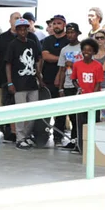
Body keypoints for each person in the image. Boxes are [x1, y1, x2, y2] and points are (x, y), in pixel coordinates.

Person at [7, 18, 43, 150]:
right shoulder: (13, 44)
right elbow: (8, 64)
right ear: (16, 30)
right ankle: (20, 138)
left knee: (33, 112)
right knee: (20, 112)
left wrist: (40, 78)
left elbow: (36, 61)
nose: (23, 31)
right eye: (20, 29)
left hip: (32, 82)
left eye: (25, 29)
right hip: (19, 84)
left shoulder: (32, 43)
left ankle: (27, 136)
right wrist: (10, 82)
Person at [70, 38, 104, 154]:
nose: (86, 52)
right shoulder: (77, 65)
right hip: (81, 99)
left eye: (89, 50)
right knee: (81, 123)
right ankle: (81, 146)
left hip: (94, 100)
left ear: (94, 52)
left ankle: (94, 147)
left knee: (93, 122)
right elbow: (73, 79)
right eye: (84, 50)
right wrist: (78, 88)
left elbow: (98, 82)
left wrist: (93, 95)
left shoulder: (98, 66)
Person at [40, 14, 69, 148]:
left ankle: (58, 136)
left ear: (64, 25)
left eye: (59, 23)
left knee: (61, 110)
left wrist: (59, 60)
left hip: (64, 80)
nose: (56, 26)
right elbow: (45, 56)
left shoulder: (68, 40)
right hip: (47, 79)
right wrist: (61, 59)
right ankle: (43, 135)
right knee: (45, 109)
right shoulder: (47, 40)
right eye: (54, 23)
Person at [56, 23, 83, 149]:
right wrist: (60, 88)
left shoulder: (83, 47)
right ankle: (73, 140)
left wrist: (74, 65)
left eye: (73, 32)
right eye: (68, 32)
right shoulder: (64, 50)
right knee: (71, 115)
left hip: (80, 84)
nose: (70, 35)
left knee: (80, 115)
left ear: (77, 33)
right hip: (68, 84)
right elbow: (62, 70)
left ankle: (80, 141)